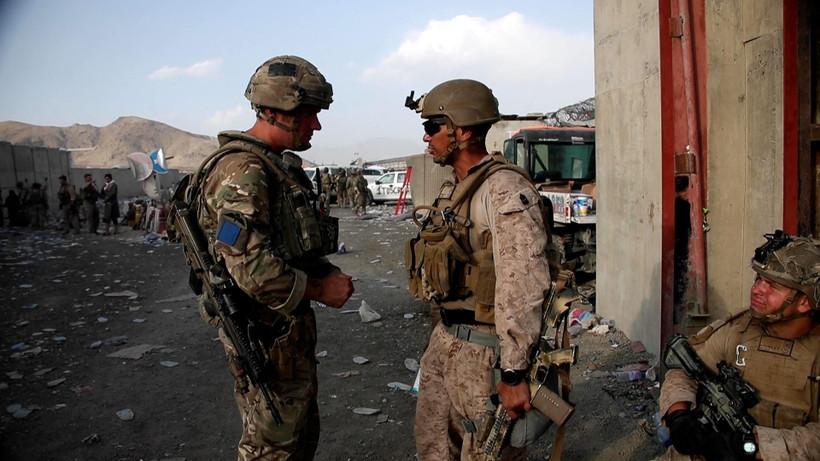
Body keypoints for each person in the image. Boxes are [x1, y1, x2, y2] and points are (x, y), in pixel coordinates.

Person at [184, 55, 353, 460]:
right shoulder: (244, 170)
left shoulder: (273, 168)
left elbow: (292, 245)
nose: (317, 125)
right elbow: (250, 267)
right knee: (271, 448)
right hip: (266, 337)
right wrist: (320, 289)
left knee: (296, 440)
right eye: (310, 114)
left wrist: (324, 270)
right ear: (279, 110)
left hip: (284, 337)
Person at [405, 79, 552, 460]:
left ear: (463, 131)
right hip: (447, 340)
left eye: (432, 126)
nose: (426, 137)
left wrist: (513, 372)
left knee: (485, 452)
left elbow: (523, 282)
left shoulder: (503, 189)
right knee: (434, 446)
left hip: (485, 352)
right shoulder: (454, 189)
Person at [656, 230, 820, 461]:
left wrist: (747, 446)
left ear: (805, 301)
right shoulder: (739, 329)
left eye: (773, 285)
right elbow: (685, 368)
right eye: (758, 279)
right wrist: (679, 416)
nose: (757, 289)